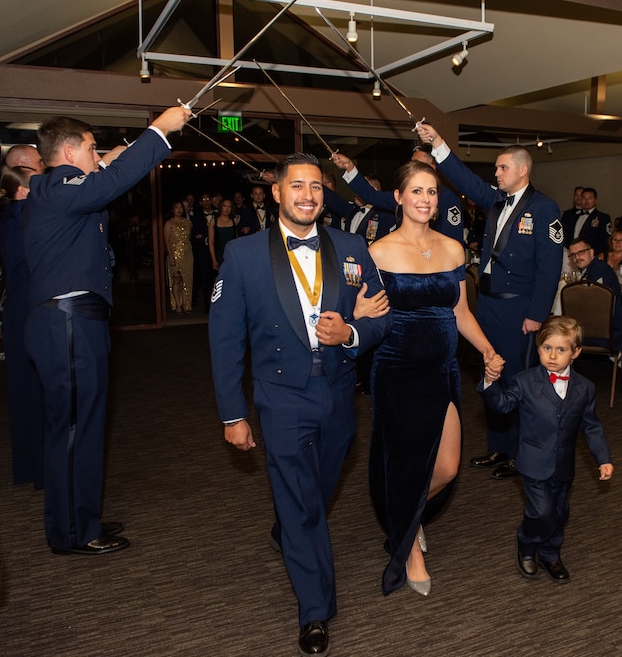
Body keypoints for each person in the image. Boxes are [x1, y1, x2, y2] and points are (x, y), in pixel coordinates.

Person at [209, 153, 391, 656]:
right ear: (277, 192)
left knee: (316, 486)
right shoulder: (243, 256)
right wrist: (233, 412)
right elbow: (225, 341)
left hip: (337, 394)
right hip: (280, 395)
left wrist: (350, 331)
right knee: (304, 504)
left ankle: (286, 526)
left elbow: (382, 315)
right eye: (297, 186)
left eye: (316, 186)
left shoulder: (353, 247)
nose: (307, 195)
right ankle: (314, 610)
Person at [23, 105, 190, 555]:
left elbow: (104, 177)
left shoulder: (58, 189)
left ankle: (80, 519)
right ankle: (74, 532)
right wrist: (157, 130)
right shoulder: (58, 186)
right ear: (71, 150)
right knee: (75, 430)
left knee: (81, 426)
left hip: (72, 321)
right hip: (68, 322)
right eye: (92, 148)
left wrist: (116, 156)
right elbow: (108, 184)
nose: (97, 155)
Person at [366, 160, 501, 597]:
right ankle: (409, 547)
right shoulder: (379, 252)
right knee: (406, 461)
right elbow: (364, 313)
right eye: (417, 191)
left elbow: (460, 312)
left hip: (442, 370)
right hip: (397, 370)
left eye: (432, 192)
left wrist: (486, 350)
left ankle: (407, 516)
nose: (426, 199)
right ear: (399, 198)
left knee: (446, 466)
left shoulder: (453, 249)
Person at [416, 122, 563, 481]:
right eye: (496, 168)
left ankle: (519, 451)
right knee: (491, 371)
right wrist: (437, 144)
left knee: (518, 378)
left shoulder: (545, 209)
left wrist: (537, 314)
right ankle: (498, 445)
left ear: (522, 169)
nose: (496, 173)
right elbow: (465, 180)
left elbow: (550, 266)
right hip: (491, 304)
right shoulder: (496, 201)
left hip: (520, 308)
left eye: (502, 168)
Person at [479, 316, 613, 584]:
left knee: (561, 512)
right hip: (532, 462)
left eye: (561, 350)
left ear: (576, 353)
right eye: (546, 348)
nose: (552, 356)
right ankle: (527, 543)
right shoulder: (525, 381)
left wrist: (603, 459)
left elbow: (591, 426)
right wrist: (490, 382)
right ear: (538, 348)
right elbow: (502, 405)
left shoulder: (585, 388)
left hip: (564, 464)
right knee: (541, 511)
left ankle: (551, 553)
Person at [0, 164, 44, 487]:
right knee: (35, 393)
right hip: (28, 310)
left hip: (19, 309)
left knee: (28, 394)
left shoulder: (11, 214)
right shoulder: (22, 214)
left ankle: (32, 467)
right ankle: (40, 469)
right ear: (23, 190)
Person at [331, 145, 466, 246]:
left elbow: (452, 244)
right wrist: (349, 166)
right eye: (411, 162)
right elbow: (371, 196)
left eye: (418, 163)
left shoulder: (446, 197)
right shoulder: (406, 196)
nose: (413, 167)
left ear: (433, 166)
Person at [566, 237, 622, 350]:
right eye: (573, 255)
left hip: (604, 335)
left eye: (581, 252)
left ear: (591, 252)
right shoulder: (592, 269)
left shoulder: (600, 271)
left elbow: (595, 307)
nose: (577, 257)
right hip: (596, 331)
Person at [562, 186, 612, 262]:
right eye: (584, 198)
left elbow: (605, 240)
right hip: (573, 256)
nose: (586, 201)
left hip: (592, 257)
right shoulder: (574, 216)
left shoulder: (603, 218)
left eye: (590, 198)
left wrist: (600, 256)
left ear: (595, 200)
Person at [163, 201, 193, 314]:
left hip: (188, 254)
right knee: (176, 279)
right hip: (174, 254)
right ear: (172, 210)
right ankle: (178, 304)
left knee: (187, 280)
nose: (179, 210)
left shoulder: (188, 222)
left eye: (181, 208)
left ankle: (186, 304)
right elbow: (166, 241)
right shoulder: (169, 223)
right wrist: (171, 256)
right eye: (176, 208)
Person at [208, 198, 240, 271]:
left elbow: (237, 239)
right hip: (219, 254)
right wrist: (213, 259)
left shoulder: (234, 220)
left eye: (229, 207)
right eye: (225, 206)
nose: (227, 209)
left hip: (232, 254)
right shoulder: (213, 221)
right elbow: (211, 242)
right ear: (220, 207)